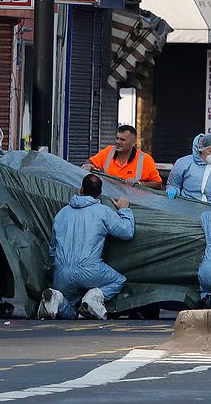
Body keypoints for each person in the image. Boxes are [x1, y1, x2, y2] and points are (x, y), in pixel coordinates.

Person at [39, 174, 135, 320]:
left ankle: (57, 301)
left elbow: (53, 249)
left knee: (69, 307)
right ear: (100, 193)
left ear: (80, 190)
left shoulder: (62, 213)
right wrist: (124, 210)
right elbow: (127, 232)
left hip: (62, 271)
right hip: (91, 269)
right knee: (118, 280)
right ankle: (93, 298)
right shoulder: (103, 211)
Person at [84, 125, 162, 189]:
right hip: (109, 199)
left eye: (122, 139)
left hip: (134, 203)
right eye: (117, 138)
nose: (118, 142)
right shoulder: (108, 151)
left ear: (133, 143)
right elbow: (90, 161)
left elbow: (158, 184)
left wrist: (139, 183)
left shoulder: (145, 160)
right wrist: (88, 165)